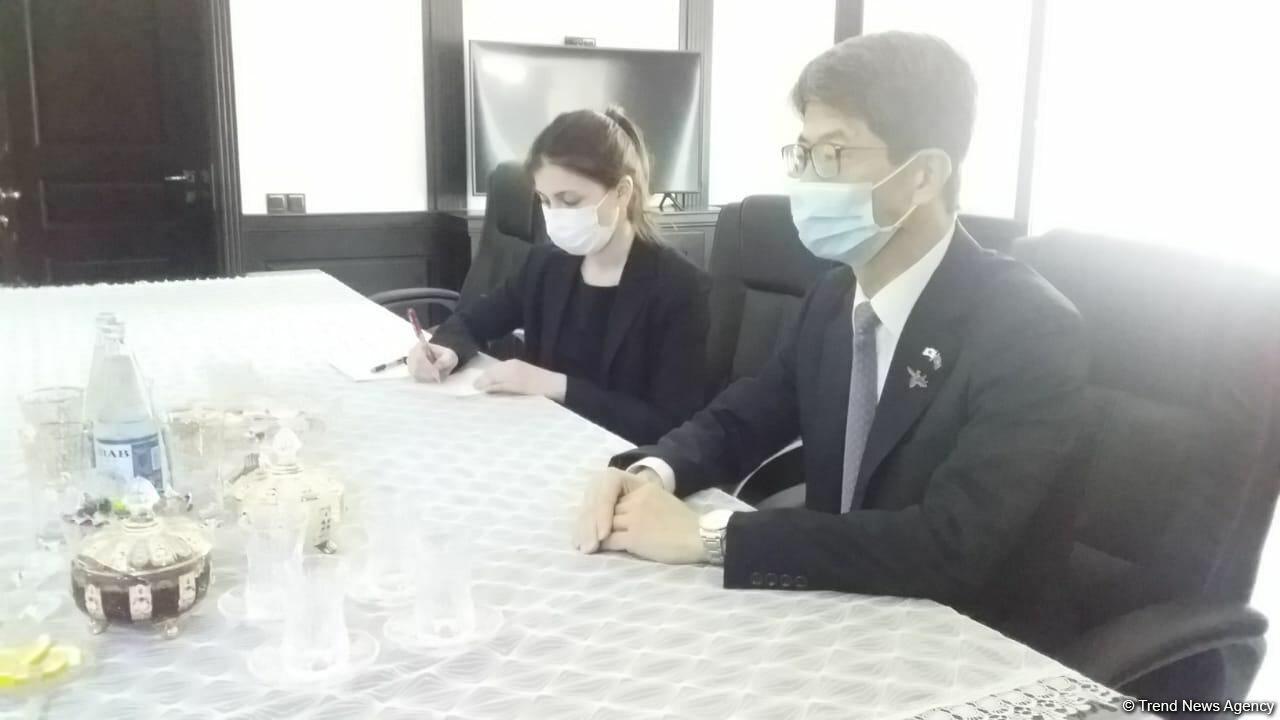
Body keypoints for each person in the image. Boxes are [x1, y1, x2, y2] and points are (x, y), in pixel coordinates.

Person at [572, 32, 1089, 651]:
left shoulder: (1027, 329)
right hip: (838, 609)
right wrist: (651, 472)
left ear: (923, 176)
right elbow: (743, 418)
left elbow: (950, 544)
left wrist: (712, 536)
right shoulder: (834, 296)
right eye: (803, 152)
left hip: (969, 642)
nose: (805, 179)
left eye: (833, 154)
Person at [410, 107, 709, 446]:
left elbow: (669, 423)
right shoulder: (546, 265)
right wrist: (446, 349)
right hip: (541, 440)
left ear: (622, 192)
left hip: (621, 460)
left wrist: (555, 385)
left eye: (570, 200)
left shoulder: (678, 286)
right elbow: (473, 319)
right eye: (545, 201)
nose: (555, 215)